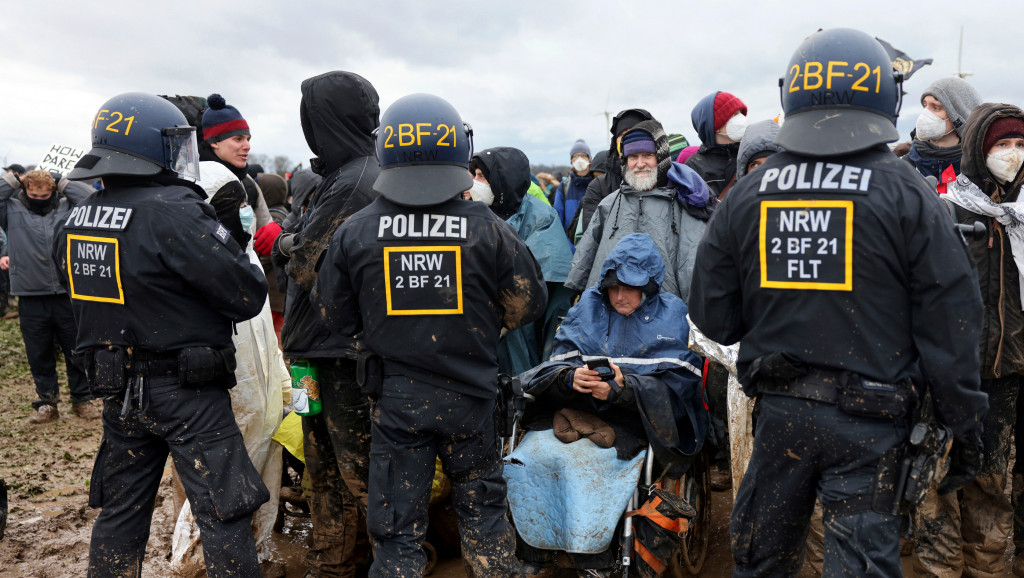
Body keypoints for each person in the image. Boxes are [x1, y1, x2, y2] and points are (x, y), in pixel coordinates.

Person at [687, 28, 988, 576]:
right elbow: (953, 324)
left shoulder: (749, 194)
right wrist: (964, 422)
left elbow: (713, 319)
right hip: (874, 426)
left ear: (792, 93)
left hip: (781, 418)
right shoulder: (909, 193)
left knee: (760, 562)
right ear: (883, 96)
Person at [312, 93, 546, 577]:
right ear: (458, 147)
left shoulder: (356, 232)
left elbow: (334, 314)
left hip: (397, 401)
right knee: (483, 516)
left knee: (396, 529)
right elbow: (526, 304)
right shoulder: (491, 230)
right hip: (472, 398)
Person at [55, 92, 269, 577]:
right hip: (186, 392)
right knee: (224, 510)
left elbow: (72, 287)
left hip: (118, 390)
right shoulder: (175, 210)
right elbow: (246, 294)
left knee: (120, 512)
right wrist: (230, 239)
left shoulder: (77, 216)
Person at [510, 233, 708, 576]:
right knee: (531, 455)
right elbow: (557, 362)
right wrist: (570, 379)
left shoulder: (673, 315)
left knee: (593, 463)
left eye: (629, 288)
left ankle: (596, 557)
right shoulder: (588, 307)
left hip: (637, 422)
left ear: (649, 287)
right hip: (579, 412)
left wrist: (624, 389)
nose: (619, 296)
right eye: (613, 288)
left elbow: (681, 389)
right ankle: (535, 550)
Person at [271, 70, 381, 577]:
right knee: (321, 462)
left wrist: (288, 241)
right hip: (312, 350)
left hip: (342, 353)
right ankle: (334, 558)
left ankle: (390, 558)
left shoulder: (357, 179)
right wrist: (294, 238)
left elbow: (300, 259)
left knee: (354, 465)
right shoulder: (340, 175)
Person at [917, 103, 1024, 577]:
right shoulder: (943, 211)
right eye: (1003, 144)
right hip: (943, 379)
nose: (1014, 153)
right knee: (934, 489)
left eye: (1021, 144)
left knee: (993, 484)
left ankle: (990, 570)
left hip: (1004, 378)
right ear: (980, 150)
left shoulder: (1021, 218)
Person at [566, 118, 706, 302]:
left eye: (647, 155)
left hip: (667, 314)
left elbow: (693, 266)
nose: (640, 164)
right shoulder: (609, 204)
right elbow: (585, 258)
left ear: (661, 158)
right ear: (625, 161)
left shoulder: (683, 203)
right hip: (613, 310)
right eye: (633, 157)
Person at [0, 168, 96, 422]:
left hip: (67, 291)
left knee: (76, 349)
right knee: (38, 352)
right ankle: (46, 402)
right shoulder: (10, 208)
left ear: (53, 191)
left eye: (44, 195)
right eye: (33, 194)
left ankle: (82, 399)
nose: (39, 199)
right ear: (24, 191)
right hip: (29, 294)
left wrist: (63, 181)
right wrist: (13, 179)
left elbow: (91, 198)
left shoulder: (67, 206)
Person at [470, 146, 574, 375]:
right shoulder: (474, 212)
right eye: (474, 175)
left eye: (481, 176)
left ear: (502, 179)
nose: (474, 182)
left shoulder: (540, 215)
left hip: (523, 320)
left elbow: (543, 276)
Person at [571, 108, 653, 236]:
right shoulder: (599, 187)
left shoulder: (668, 181)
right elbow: (591, 236)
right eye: (623, 135)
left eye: (634, 132)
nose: (629, 139)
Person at [200, 93, 274, 234]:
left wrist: (275, 236)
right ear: (214, 142)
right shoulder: (193, 182)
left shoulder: (248, 183)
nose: (247, 146)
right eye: (238, 139)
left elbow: (264, 227)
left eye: (248, 139)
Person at [905, 77, 983, 194]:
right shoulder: (905, 166)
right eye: (925, 105)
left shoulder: (978, 174)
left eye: (936, 107)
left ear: (959, 116)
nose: (925, 114)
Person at [685, 91, 747, 198]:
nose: (741, 119)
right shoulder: (694, 166)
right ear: (715, 126)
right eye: (735, 115)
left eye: (741, 113)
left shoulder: (748, 153)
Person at [552, 139, 594, 234]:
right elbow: (558, 219)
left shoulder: (597, 184)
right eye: (575, 155)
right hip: (570, 245)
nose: (579, 158)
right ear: (571, 161)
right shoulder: (564, 186)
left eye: (583, 155)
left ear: (589, 159)